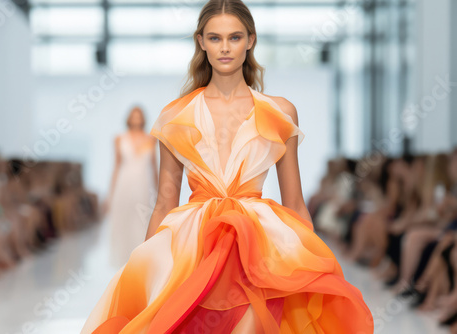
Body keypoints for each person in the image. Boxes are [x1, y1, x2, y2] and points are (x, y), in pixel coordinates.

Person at [81, 1, 374, 333]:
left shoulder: (279, 112)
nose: (224, 47)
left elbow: (294, 202)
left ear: (251, 40)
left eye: (234, 38)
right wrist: (144, 270)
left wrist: (311, 264)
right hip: (193, 245)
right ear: (201, 41)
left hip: (258, 244)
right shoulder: (176, 115)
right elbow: (165, 202)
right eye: (215, 38)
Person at [103, 106, 159, 268]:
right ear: (129, 118)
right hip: (124, 184)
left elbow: (154, 167)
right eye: (133, 116)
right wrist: (110, 194)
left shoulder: (151, 139)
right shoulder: (119, 139)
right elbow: (116, 166)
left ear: (143, 118)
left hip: (143, 184)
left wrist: (158, 192)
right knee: (123, 220)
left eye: (139, 115)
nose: (136, 119)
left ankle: (139, 259)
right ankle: (124, 260)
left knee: (142, 220)